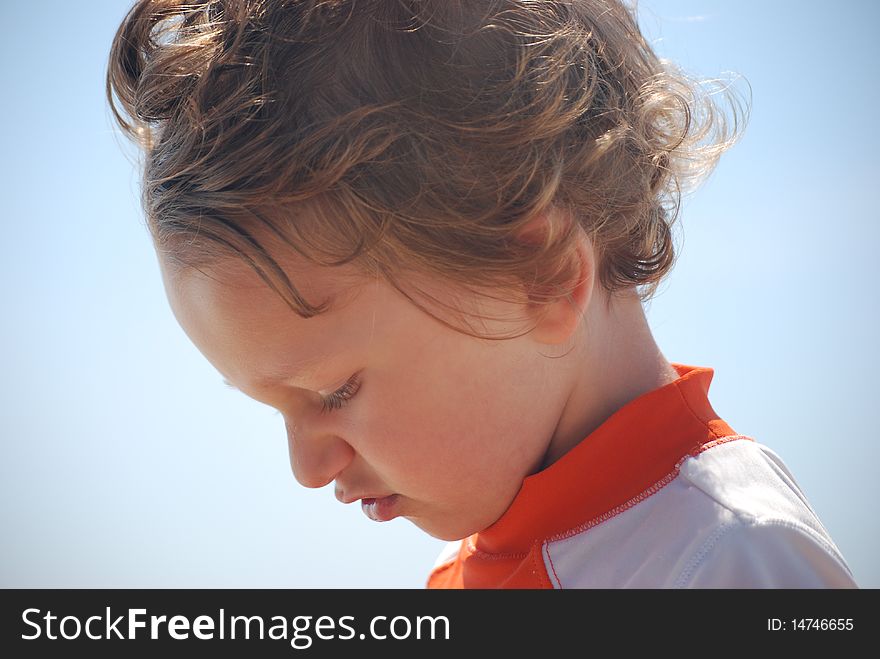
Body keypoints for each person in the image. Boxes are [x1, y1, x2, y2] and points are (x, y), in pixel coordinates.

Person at [107, 0, 857, 588]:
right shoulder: (481, 562)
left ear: (544, 276)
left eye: (334, 390)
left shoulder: (731, 560)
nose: (307, 467)